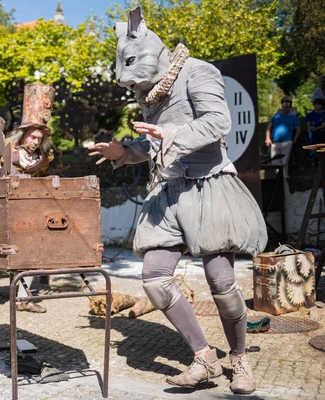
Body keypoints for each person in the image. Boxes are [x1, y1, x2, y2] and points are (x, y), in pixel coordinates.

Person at [88, 8, 266, 394]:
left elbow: (218, 122)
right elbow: (155, 142)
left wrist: (168, 134)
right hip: (167, 192)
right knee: (154, 279)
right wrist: (126, 151)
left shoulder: (198, 71)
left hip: (207, 185)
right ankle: (204, 357)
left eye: (130, 61)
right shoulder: (148, 92)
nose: (125, 77)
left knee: (221, 282)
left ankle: (240, 358)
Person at [0, 84, 57, 314]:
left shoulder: (42, 158)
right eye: (32, 136)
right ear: (23, 134)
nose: (35, 141)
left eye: (39, 137)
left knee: (30, 252)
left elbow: (41, 181)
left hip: (26, 211)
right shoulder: (5, 148)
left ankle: (23, 298)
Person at [265, 96, 301, 178]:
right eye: (284, 107)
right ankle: (278, 178)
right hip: (275, 142)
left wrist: (295, 139)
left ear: (290, 108)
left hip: (287, 142)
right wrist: (267, 138)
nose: (285, 108)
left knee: (285, 162)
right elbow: (269, 127)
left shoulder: (293, 118)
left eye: (287, 107)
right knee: (274, 162)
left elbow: (298, 129)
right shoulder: (276, 117)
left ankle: (285, 180)